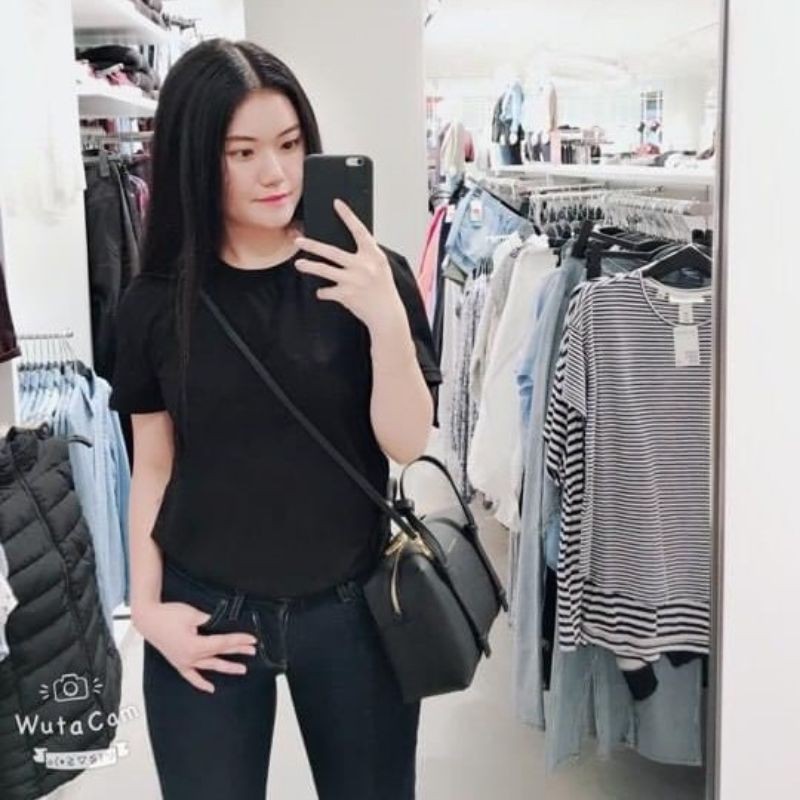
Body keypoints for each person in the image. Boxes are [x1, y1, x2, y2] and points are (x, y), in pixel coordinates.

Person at [109, 38, 442, 800]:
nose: (276, 173)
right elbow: (152, 464)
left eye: (290, 145)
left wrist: (386, 321)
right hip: (205, 614)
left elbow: (405, 442)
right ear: (196, 159)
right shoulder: (154, 303)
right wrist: (147, 610)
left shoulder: (370, 275)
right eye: (243, 152)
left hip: (354, 610)